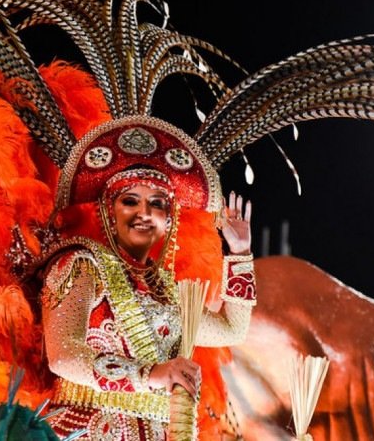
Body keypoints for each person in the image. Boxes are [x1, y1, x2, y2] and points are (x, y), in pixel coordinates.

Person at [39, 120, 258, 440]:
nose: (144, 213)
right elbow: (63, 356)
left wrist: (240, 254)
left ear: (170, 219)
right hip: (87, 431)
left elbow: (232, 329)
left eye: (157, 203)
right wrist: (151, 374)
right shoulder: (81, 265)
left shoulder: (166, 291)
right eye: (130, 201)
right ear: (108, 212)